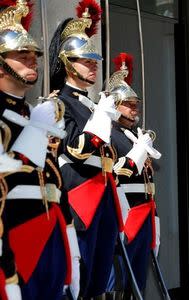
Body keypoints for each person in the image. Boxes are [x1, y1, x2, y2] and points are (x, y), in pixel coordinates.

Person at [49, 0, 124, 297]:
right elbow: (76, 148)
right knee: (79, 277)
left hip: (104, 195)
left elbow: (111, 155)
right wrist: (102, 118)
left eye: (94, 60)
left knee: (99, 277)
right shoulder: (59, 103)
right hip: (80, 196)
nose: (93, 65)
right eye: (86, 60)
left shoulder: (93, 104)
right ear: (68, 62)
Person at [0, 1, 72, 299]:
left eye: (35, 56)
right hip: (16, 240)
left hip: (50, 235)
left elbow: (55, 180)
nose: (33, 61)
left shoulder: (36, 114)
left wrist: (71, 247)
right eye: (21, 55)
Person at [106, 52, 161, 297]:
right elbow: (117, 172)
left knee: (138, 275)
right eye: (127, 104)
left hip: (145, 210)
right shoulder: (109, 134)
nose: (133, 108)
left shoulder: (135, 133)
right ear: (114, 105)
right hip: (126, 210)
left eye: (135, 104)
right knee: (121, 275)